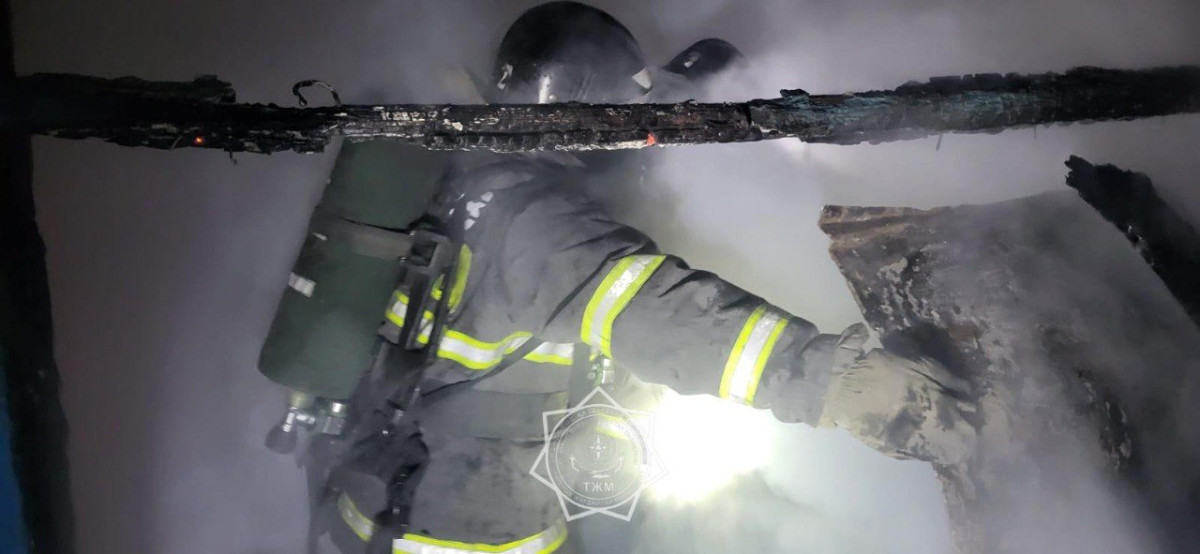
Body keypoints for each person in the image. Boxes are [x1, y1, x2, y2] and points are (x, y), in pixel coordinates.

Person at [293, 3, 977, 553]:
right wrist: (834, 381)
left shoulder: (464, 173)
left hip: (380, 500)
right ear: (586, 110)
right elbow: (653, 310)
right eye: (623, 117)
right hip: (461, 533)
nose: (634, 140)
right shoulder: (534, 220)